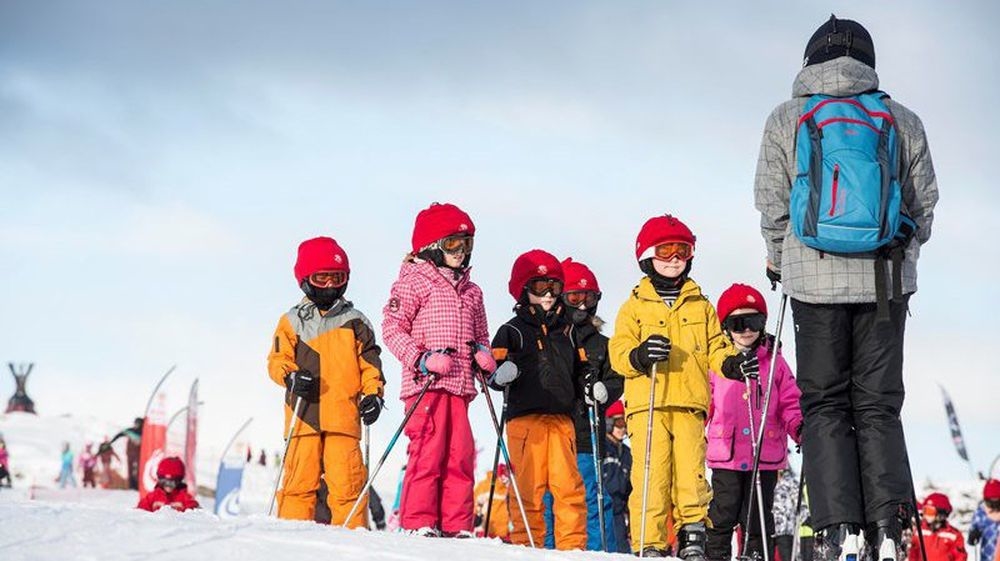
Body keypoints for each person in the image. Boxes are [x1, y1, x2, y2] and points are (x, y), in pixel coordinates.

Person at [754, 14, 939, 561]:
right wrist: (903, 251)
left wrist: (778, 257)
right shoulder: (901, 118)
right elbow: (923, 203)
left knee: (825, 405)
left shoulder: (787, 117)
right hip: (885, 280)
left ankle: (840, 529)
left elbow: (771, 200)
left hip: (812, 279)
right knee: (879, 405)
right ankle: (888, 526)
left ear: (810, 59)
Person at [608, 214, 741, 559]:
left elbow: (716, 346)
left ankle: (692, 535)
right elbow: (619, 351)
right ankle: (648, 540)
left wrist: (731, 364)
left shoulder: (701, 304)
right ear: (647, 256)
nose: (674, 259)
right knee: (652, 474)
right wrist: (639, 355)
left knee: (691, 475)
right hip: (647, 403)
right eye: (665, 251)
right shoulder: (634, 306)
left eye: (682, 250)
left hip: (689, 403)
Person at [381, 202, 492, 538]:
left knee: (461, 453)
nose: (461, 252)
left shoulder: (473, 292)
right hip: (426, 384)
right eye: (452, 245)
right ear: (431, 249)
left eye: (466, 244)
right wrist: (421, 357)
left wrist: (484, 357)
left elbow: (482, 335)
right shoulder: (415, 282)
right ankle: (418, 520)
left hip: (460, 385)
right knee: (428, 450)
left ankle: (457, 524)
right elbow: (392, 327)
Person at [267, 236, 386, 527]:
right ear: (306, 279)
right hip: (304, 416)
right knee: (299, 484)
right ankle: (291, 540)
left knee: (348, 486)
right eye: (322, 278)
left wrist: (374, 395)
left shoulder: (357, 322)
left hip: (344, 420)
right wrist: (290, 376)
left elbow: (370, 366)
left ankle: (352, 543)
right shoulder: (292, 321)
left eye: (337, 277)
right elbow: (277, 360)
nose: (330, 285)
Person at [489, 249, 588, 550]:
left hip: (561, 421)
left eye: (554, 288)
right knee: (528, 489)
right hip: (524, 421)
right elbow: (491, 373)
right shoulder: (512, 331)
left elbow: (582, 369)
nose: (548, 295)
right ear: (523, 290)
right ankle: (526, 545)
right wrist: (500, 375)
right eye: (539, 287)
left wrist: (589, 385)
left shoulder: (569, 330)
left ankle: (574, 549)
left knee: (569, 487)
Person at [706, 283, 803, 561]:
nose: (747, 330)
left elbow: (790, 401)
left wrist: (798, 427)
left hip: (765, 451)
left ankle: (755, 554)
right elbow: (705, 403)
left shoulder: (775, 363)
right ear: (726, 327)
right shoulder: (717, 362)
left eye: (754, 321)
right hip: (727, 453)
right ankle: (717, 554)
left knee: (759, 512)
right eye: (738, 323)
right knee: (723, 509)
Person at [541, 257, 623, 551]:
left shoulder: (603, 344)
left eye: (590, 297)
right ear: (562, 297)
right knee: (551, 497)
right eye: (576, 296)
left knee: (593, 495)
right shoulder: (547, 338)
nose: (584, 305)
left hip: (588, 435)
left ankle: (601, 552)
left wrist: (606, 391)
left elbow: (616, 379)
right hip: (554, 434)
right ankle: (547, 552)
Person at [604, 399, 633, 554]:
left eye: (625, 424)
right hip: (604, 510)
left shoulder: (627, 453)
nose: (623, 429)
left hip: (619, 513)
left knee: (623, 553)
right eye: (619, 423)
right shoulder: (601, 449)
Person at [909, 493, 967, 561]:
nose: (926, 516)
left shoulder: (953, 536)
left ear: (941, 514)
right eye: (925, 511)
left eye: (929, 512)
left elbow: (960, 557)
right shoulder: (919, 532)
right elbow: (913, 554)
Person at [473, 464, 510, 541]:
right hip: (485, 532)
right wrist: (475, 516)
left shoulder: (511, 488)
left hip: (506, 534)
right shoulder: (485, 485)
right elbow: (475, 502)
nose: (504, 478)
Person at [773, 467, 803, 561]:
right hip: (769, 528)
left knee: (787, 556)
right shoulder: (766, 482)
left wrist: (806, 518)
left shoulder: (789, 481)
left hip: (785, 529)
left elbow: (799, 501)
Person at [969, 480, 1000, 561]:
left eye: (997, 502)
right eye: (990, 503)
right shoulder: (980, 514)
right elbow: (972, 535)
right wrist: (973, 536)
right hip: (987, 557)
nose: (994, 506)